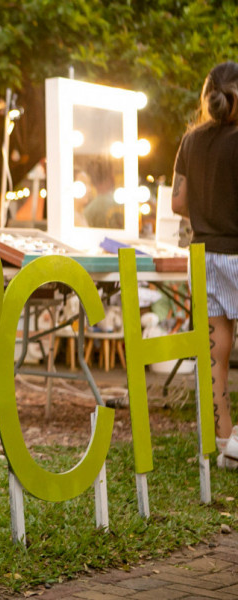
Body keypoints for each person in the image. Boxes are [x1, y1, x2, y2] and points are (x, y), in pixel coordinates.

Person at [172, 61, 238, 470]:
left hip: (204, 255)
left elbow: (178, 203)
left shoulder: (191, 141)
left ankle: (223, 441)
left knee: (215, 351)